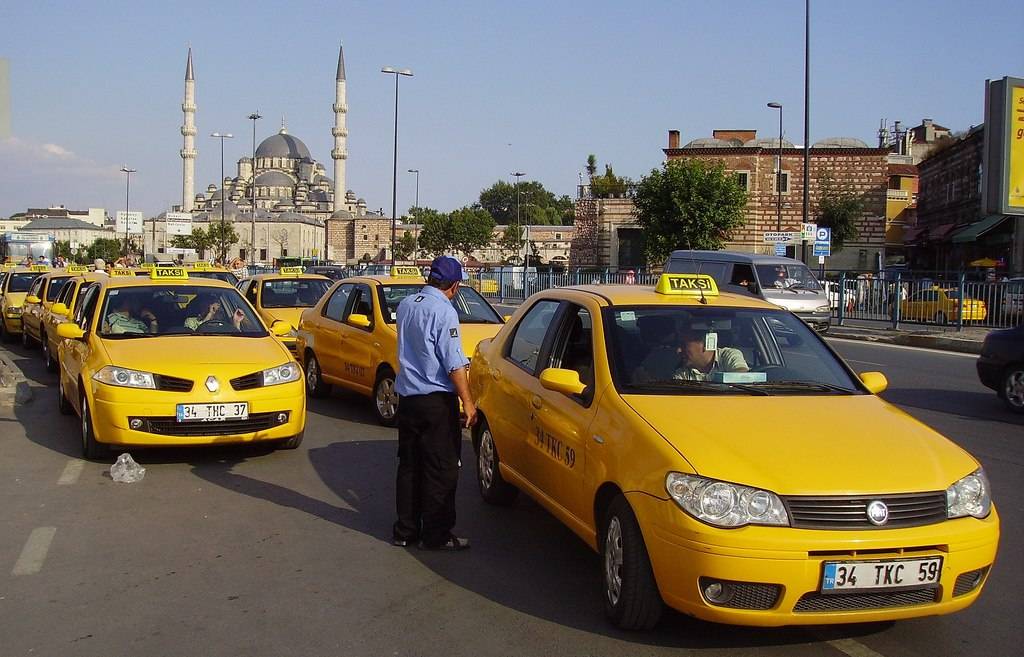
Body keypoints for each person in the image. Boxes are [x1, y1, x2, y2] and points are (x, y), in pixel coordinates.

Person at [392, 256, 476, 551]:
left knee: (410, 466)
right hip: (436, 401)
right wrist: (468, 402)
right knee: (441, 469)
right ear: (454, 285)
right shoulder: (445, 311)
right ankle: (436, 535)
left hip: (408, 399)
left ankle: (405, 531)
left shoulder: (406, 305)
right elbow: (454, 362)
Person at [673, 325, 749, 381]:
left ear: (706, 344)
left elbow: (742, 378)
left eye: (684, 345)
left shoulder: (729, 356)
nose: (678, 350)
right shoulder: (682, 373)